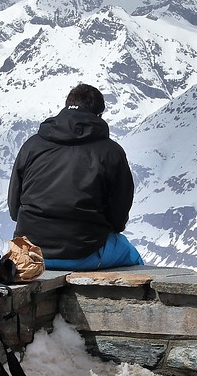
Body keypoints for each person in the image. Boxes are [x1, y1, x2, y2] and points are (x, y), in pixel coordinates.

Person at [8, 83, 143, 271]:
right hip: (82, 252)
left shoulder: (32, 145)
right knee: (132, 257)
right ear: (99, 115)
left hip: (30, 253)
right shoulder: (111, 152)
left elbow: (14, 209)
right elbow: (118, 218)